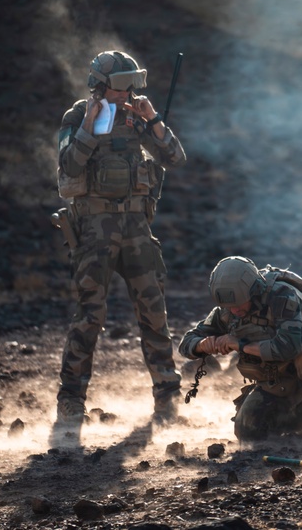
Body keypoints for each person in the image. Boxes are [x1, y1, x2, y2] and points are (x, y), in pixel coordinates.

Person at [54, 49, 186, 425]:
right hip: (95, 230)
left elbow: (174, 159)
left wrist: (154, 120)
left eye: (131, 87)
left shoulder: (135, 115)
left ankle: (167, 396)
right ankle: (71, 400)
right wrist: (89, 128)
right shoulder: (79, 115)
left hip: (136, 229)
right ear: (100, 85)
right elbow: (69, 165)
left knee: (153, 312)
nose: (127, 95)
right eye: (121, 87)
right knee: (90, 315)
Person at [178, 256, 302, 440]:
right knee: (247, 432)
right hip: (278, 379)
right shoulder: (228, 310)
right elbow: (186, 342)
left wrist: (240, 344)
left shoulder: (282, 297)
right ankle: (298, 414)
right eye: (229, 306)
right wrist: (201, 345)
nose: (234, 310)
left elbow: (290, 348)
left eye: (238, 304)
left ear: (253, 291)